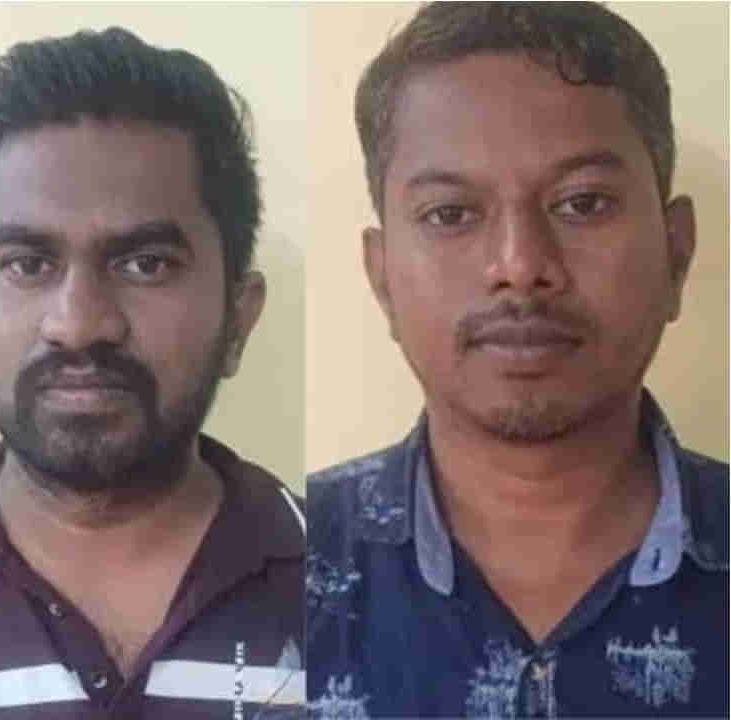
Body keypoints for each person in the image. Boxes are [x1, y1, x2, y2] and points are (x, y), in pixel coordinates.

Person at [305, 3, 728, 717]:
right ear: (382, 278)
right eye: (450, 214)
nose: (520, 265)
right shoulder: (283, 567)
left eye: (582, 203)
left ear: (676, 254)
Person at [0, 27, 304, 719]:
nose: (80, 324)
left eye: (145, 264)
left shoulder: (354, 594)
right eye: (29, 264)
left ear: (239, 315)